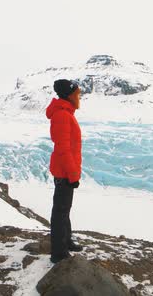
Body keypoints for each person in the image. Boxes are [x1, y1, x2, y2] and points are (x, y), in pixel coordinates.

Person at [45, 79, 84, 263]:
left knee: (64, 209)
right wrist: (72, 174)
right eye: (77, 94)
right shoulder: (62, 115)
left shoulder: (66, 112)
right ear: (69, 95)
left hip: (66, 170)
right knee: (60, 212)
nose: (79, 97)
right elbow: (63, 148)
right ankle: (58, 253)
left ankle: (66, 241)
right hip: (64, 171)